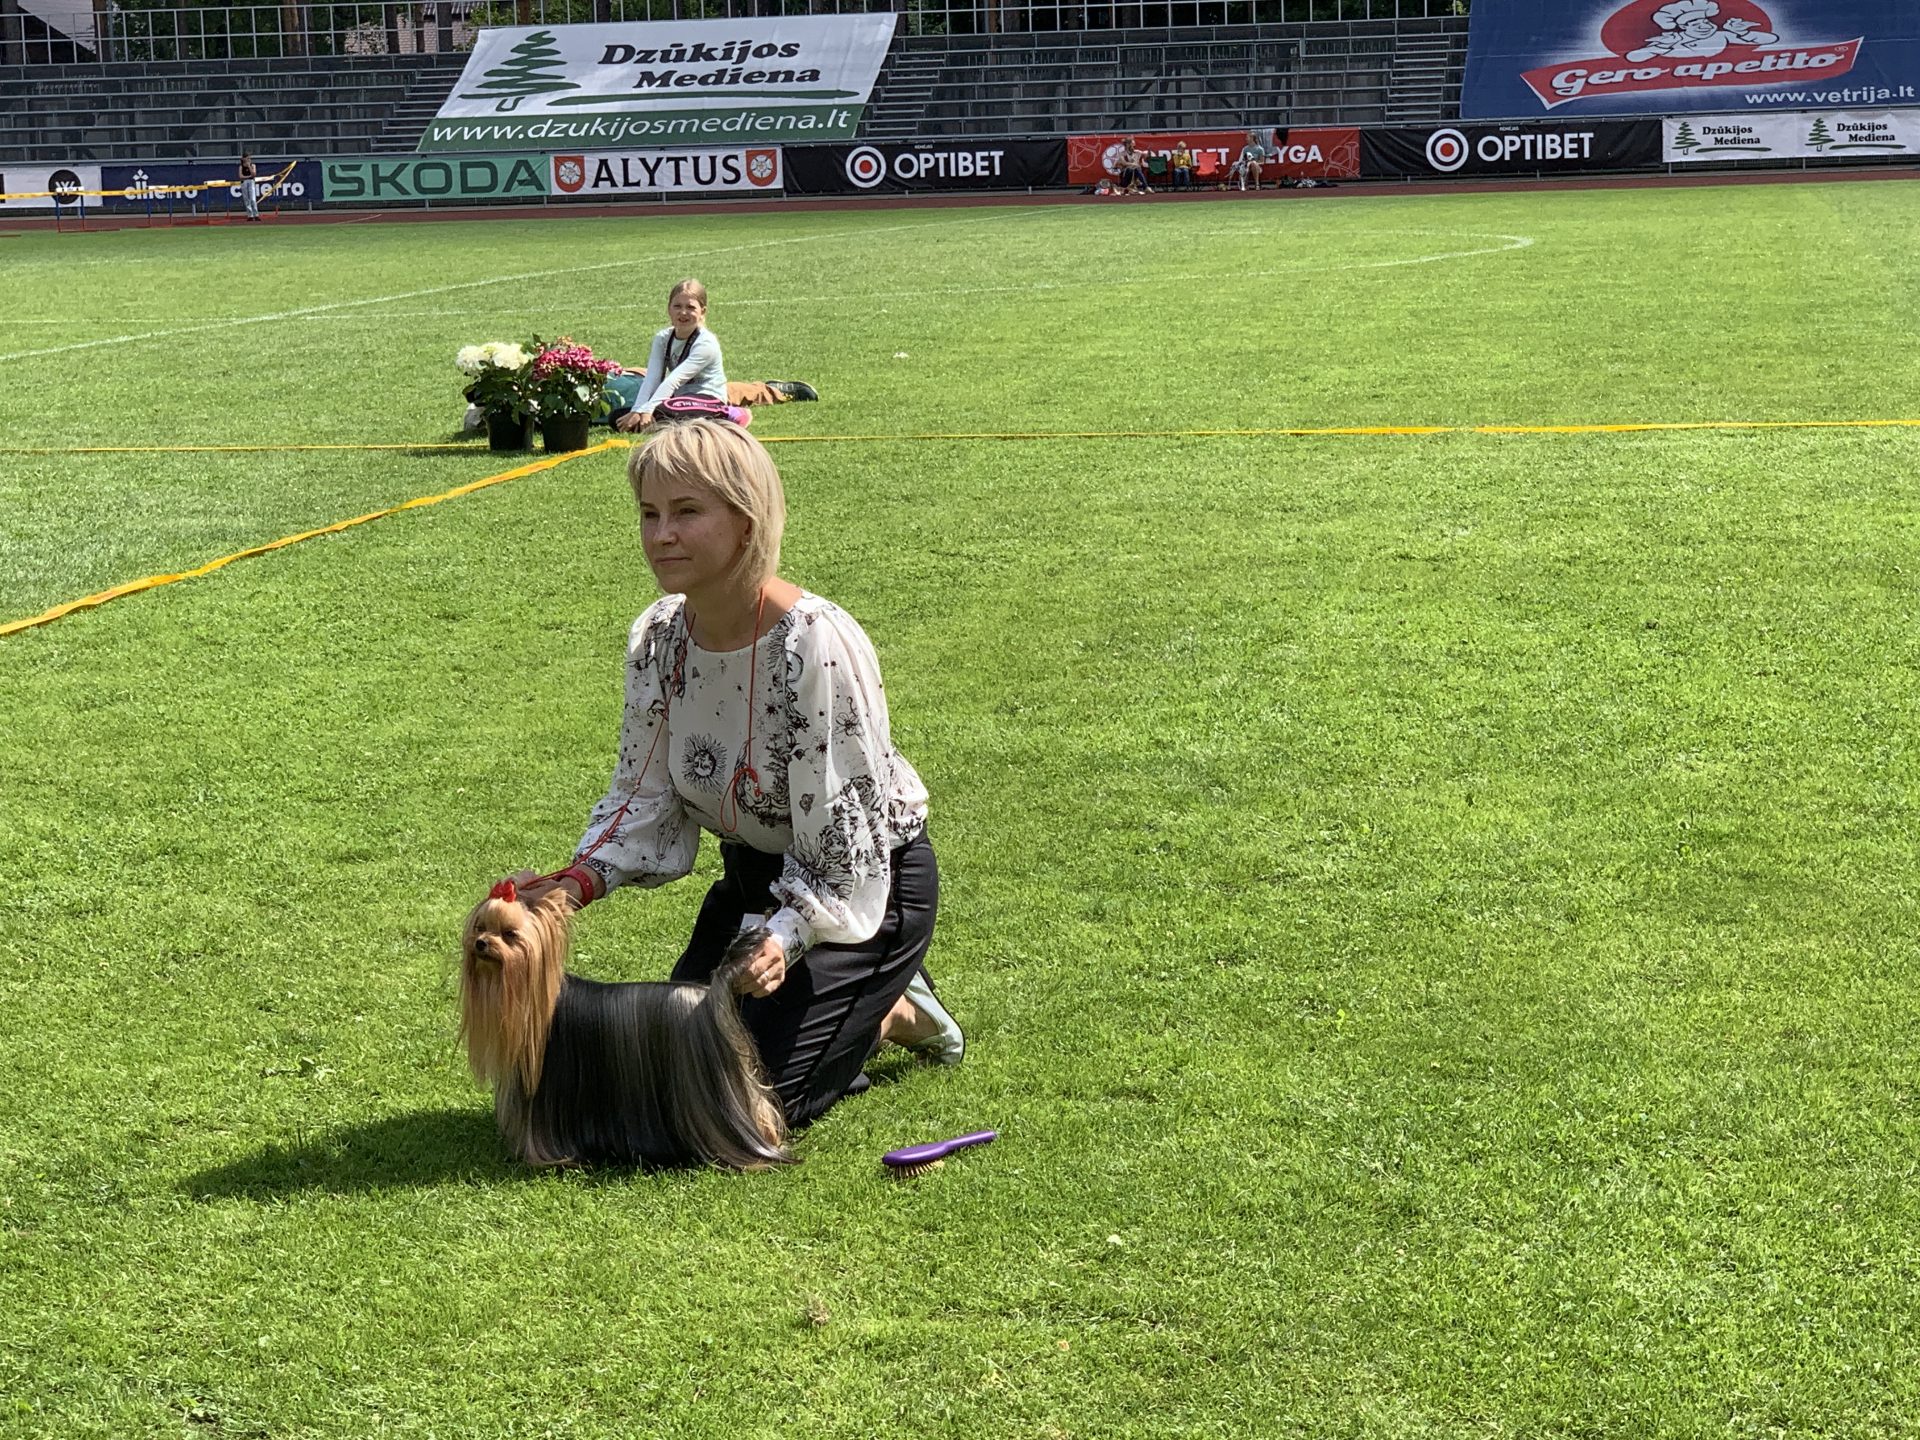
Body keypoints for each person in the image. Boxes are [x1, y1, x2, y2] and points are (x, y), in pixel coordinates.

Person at [510, 420, 962, 1129]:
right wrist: (573, 885)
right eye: (649, 514)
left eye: (687, 512)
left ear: (746, 522)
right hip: (753, 879)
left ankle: (893, 1007)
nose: (661, 535)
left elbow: (845, 842)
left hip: (861, 887)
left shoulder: (816, 643)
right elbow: (641, 792)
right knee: (676, 1076)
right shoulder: (660, 637)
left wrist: (785, 938)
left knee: (752, 1101)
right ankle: (859, 1003)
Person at [615, 277, 729, 433]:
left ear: (702, 312)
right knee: (618, 417)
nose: (683, 312)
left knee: (662, 411)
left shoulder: (706, 343)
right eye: (677, 306)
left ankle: (729, 414)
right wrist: (637, 410)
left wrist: (648, 410)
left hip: (707, 399)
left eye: (690, 307)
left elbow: (674, 380)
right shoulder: (662, 338)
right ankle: (653, 422)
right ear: (669, 309)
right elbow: (652, 378)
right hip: (677, 400)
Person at [237, 151, 260, 221]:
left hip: (251, 182)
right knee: (246, 199)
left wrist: (249, 166)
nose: (248, 160)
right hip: (244, 182)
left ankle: (256, 214)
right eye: (247, 158)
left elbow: (254, 174)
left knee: (253, 198)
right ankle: (250, 215)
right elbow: (240, 176)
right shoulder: (241, 166)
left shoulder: (253, 165)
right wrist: (248, 176)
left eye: (249, 158)